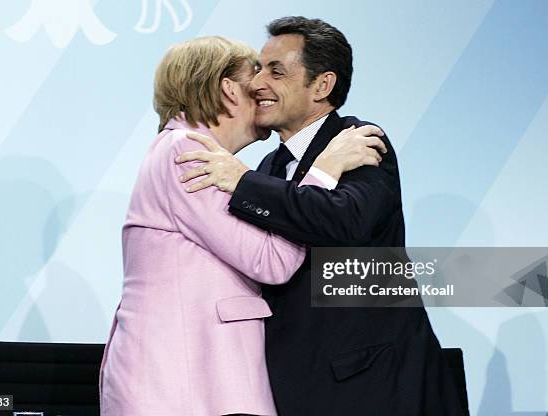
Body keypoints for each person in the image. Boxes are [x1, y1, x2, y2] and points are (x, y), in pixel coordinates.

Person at [177, 17, 468, 416]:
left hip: (368, 381)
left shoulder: (361, 141)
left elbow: (345, 220)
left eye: (276, 71)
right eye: (259, 68)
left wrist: (242, 183)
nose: (257, 83)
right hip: (292, 380)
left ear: (322, 85)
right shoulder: (267, 166)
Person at [99, 36, 385, 416]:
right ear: (229, 89)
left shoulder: (203, 156)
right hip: (181, 385)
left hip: (199, 378)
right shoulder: (186, 152)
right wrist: (324, 170)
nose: (263, 90)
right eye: (256, 76)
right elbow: (273, 263)